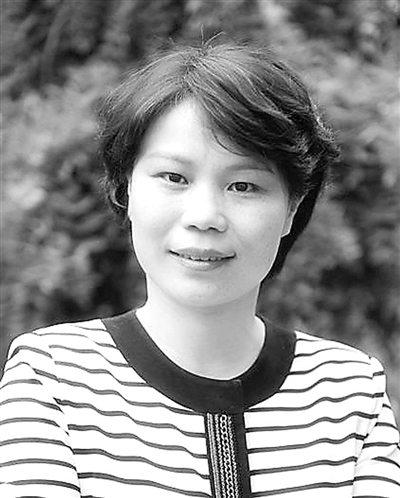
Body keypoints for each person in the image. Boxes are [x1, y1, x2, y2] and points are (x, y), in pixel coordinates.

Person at [0, 40, 399, 498]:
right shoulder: (53, 375)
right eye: (174, 178)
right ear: (126, 190)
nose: (205, 216)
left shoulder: (350, 391)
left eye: (243, 185)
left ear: (292, 208)